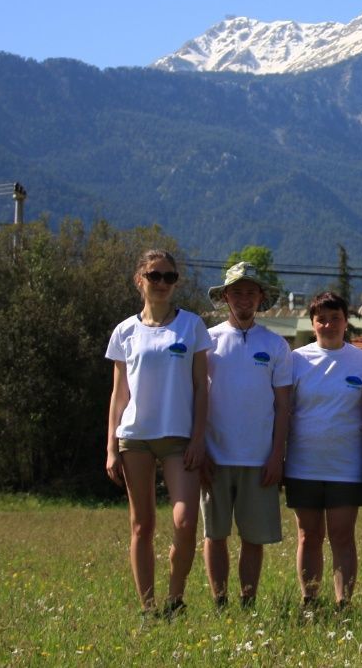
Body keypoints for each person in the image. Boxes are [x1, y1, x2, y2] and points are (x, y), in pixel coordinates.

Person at [105, 249, 211, 619]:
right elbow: (119, 394)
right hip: (135, 436)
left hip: (179, 438)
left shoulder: (192, 326)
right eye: (155, 275)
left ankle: (175, 599)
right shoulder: (125, 331)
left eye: (169, 276)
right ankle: (148, 608)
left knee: (185, 521)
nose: (162, 283)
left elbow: (201, 388)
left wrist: (198, 438)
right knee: (142, 525)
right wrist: (111, 448)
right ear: (140, 280)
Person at [200, 262, 293, 610]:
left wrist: (277, 456)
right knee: (215, 534)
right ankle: (220, 601)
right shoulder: (206, 341)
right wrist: (199, 449)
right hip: (214, 456)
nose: (243, 298)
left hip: (259, 459)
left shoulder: (276, 344)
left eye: (250, 292)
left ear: (260, 297)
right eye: (236, 292)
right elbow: (195, 398)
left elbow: (283, 406)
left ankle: (247, 603)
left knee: (254, 537)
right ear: (225, 297)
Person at [285, 291, 362, 611]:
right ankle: (310, 601)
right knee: (308, 536)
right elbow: (282, 411)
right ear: (312, 324)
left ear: (346, 321)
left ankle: (343, 604)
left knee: (342, 536)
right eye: (321, 319)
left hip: (346, 466)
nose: (329, 324)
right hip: (302, 464)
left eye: (335, 318)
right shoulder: (295, 361)